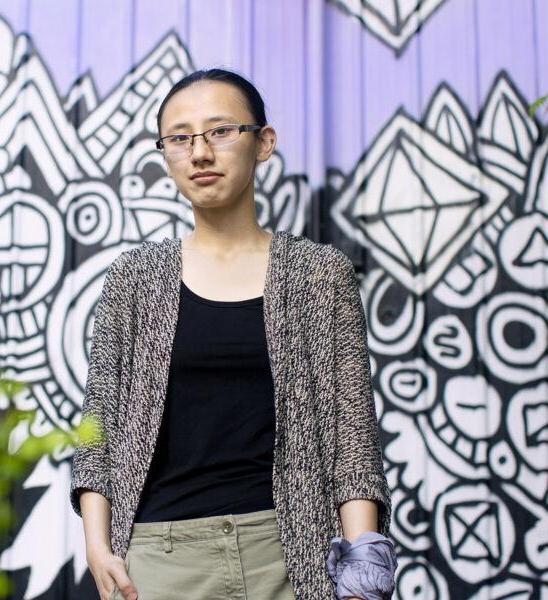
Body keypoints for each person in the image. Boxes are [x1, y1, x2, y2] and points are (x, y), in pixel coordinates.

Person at [70, 68, 398, 600]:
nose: (200, 152)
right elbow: (99, 422)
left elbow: (351, 434)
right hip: (163, 557)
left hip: (294, 553)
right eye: (180, 138)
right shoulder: (134, 278)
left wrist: (363, 567)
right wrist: (97, 545)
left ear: (263, 143)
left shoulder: (319, 274)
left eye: (221, 131)